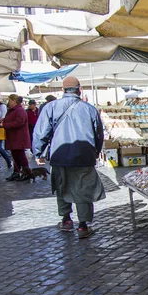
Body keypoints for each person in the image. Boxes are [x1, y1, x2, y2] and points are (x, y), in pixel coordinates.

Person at [33, 76, 105, 239]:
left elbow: (41, 132)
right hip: (84, 155)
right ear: (79, 90)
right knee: (83, 189)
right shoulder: (89, 109)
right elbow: (99, 134)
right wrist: (96, 151)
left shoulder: (51, 107)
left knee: (62, 185)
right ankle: (83, 225)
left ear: (62, 90)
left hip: (60, 155)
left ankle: (66, 220)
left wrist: (38, 153)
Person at [0, 94, 31, 181]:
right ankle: (17, 172)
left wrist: (5, 124)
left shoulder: (19, 110)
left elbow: (19, 122)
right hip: (14, 136)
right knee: (15, 155)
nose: (8, 102)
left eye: (9, 100)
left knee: (20, 155)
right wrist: (4, 121)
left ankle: (27, 173)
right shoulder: (13, 110)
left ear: (14, 101)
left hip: (19, 137)